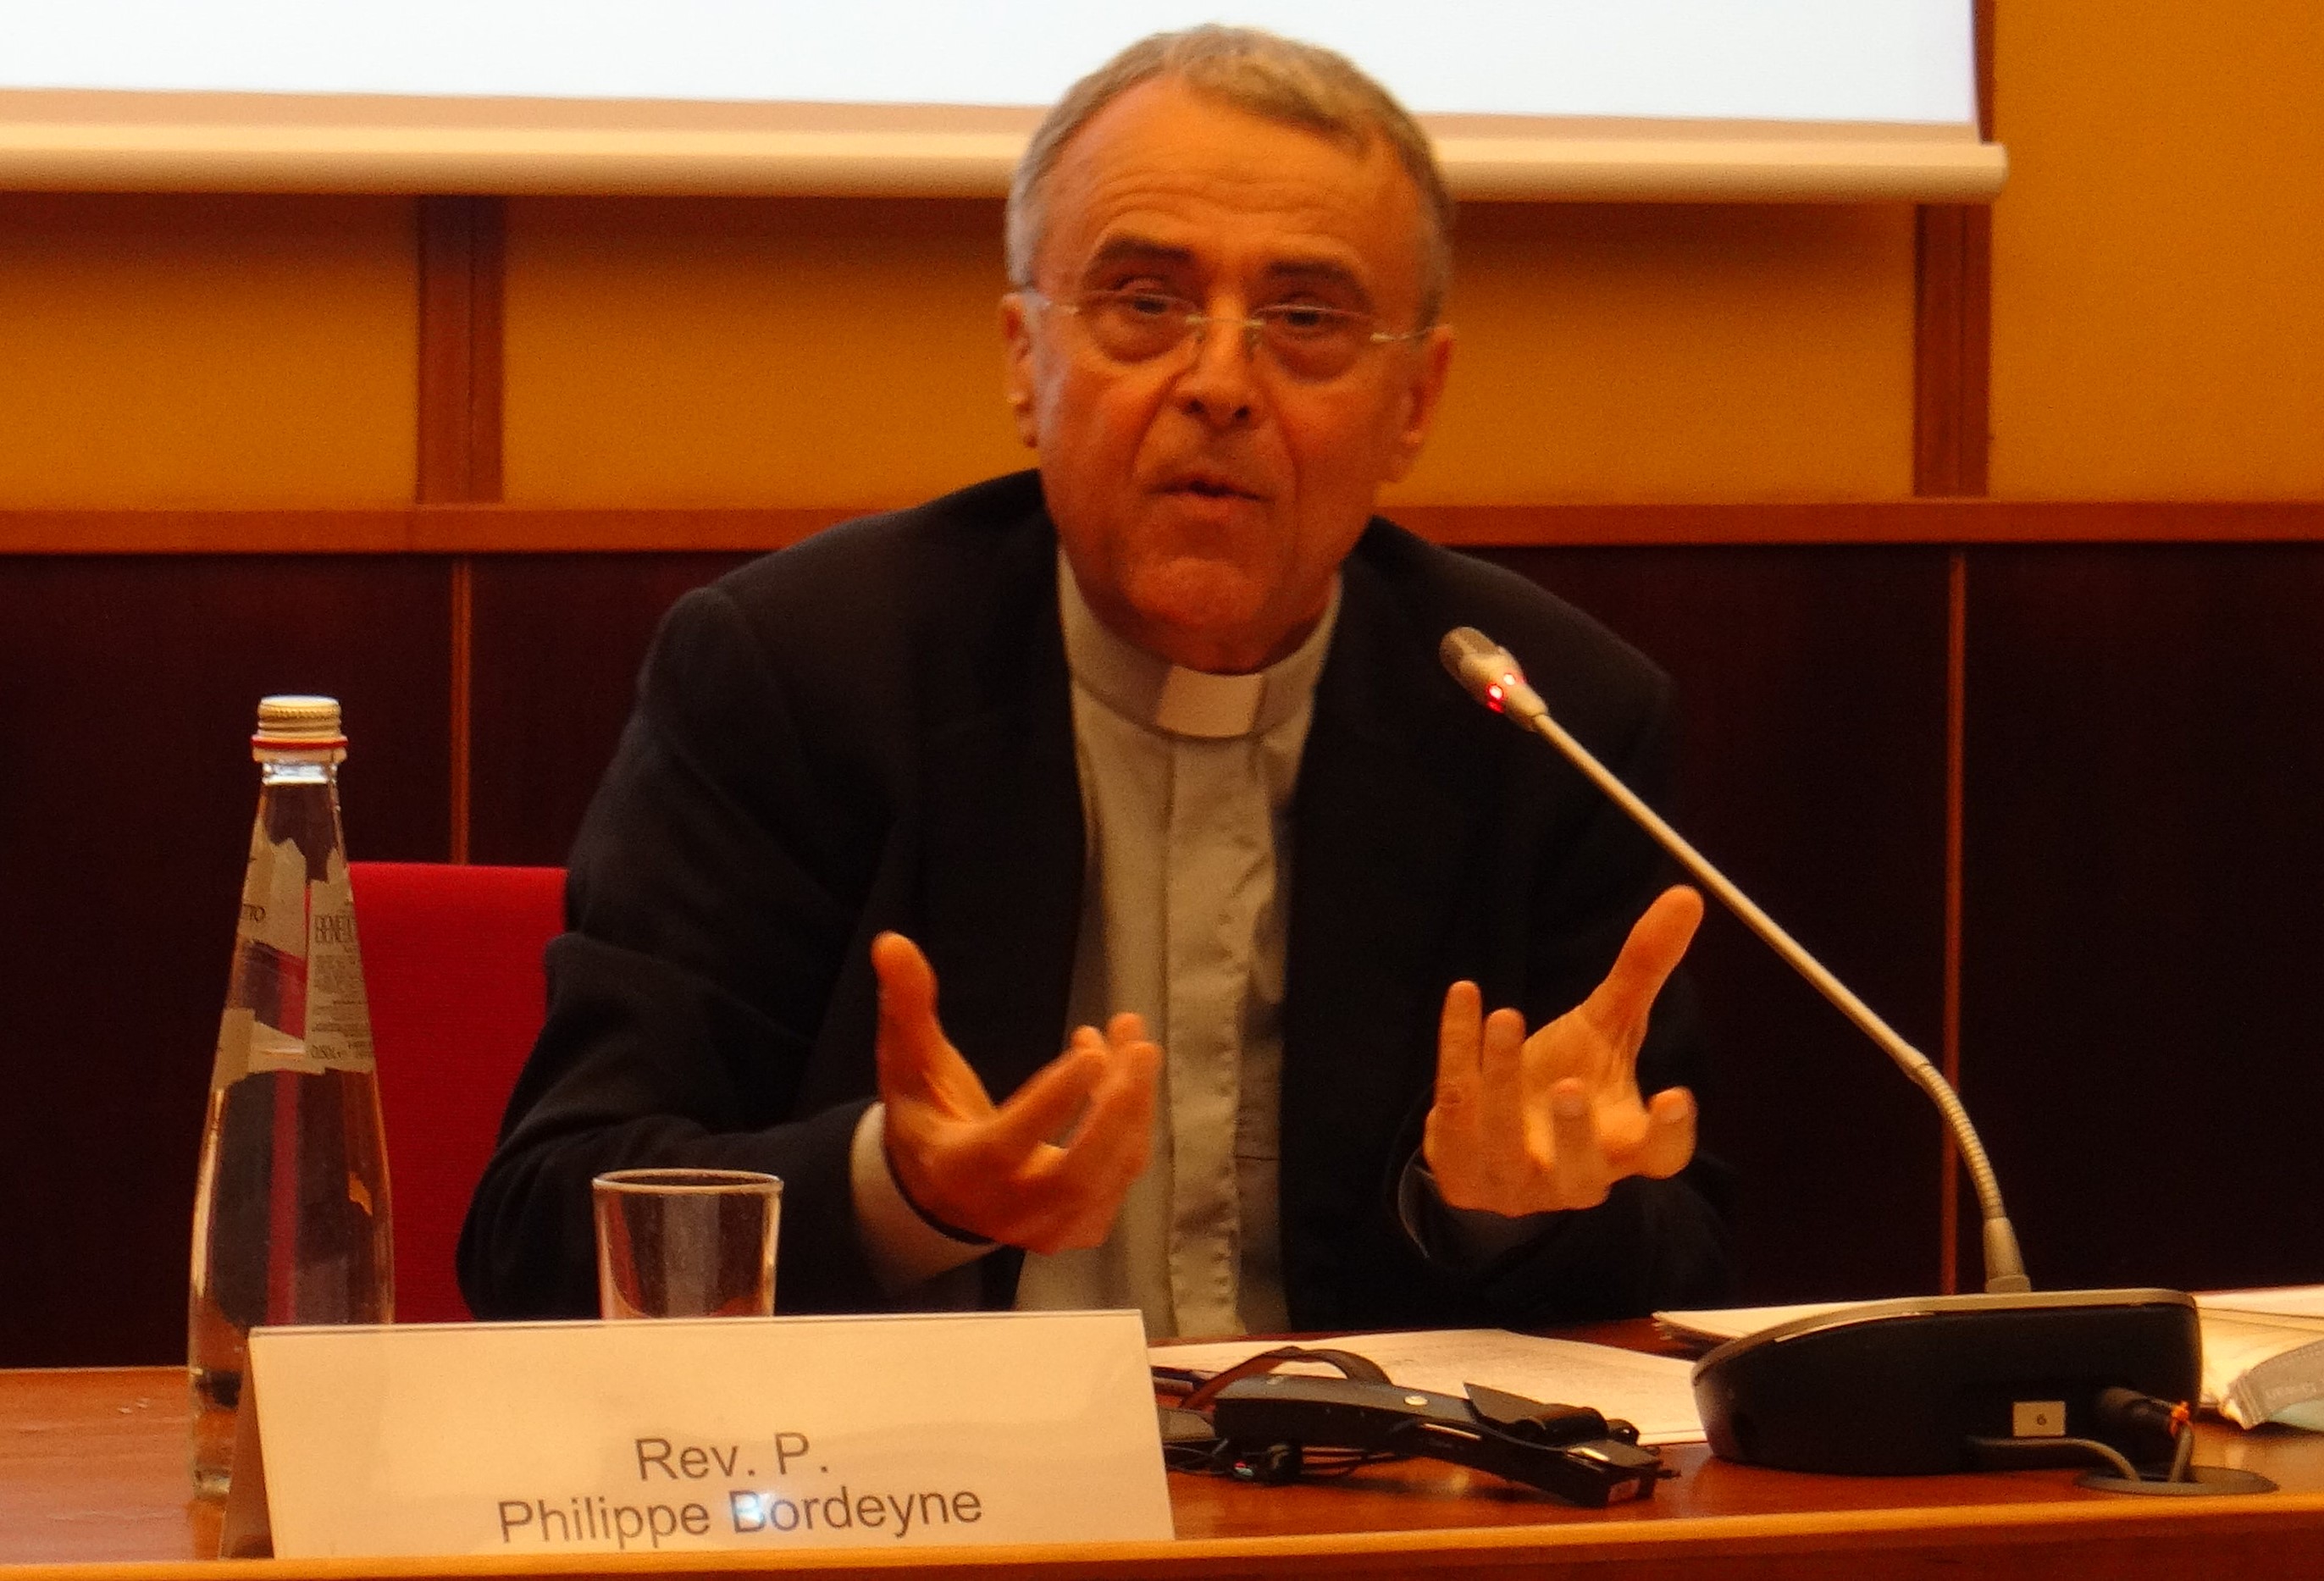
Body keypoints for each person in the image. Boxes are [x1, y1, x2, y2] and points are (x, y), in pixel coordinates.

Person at [459, 25, 1729, 1335]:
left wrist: (1508, 1210)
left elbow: (1686, 1258)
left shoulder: (1541, 715)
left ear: (1416, 397)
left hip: (1363, 1505)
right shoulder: (797, 675)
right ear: (1026, 358)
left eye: (1305, 318)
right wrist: (900, 1192)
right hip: (925, 1509)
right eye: (1144, 303)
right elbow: (539, 1227)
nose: (1220, 383)